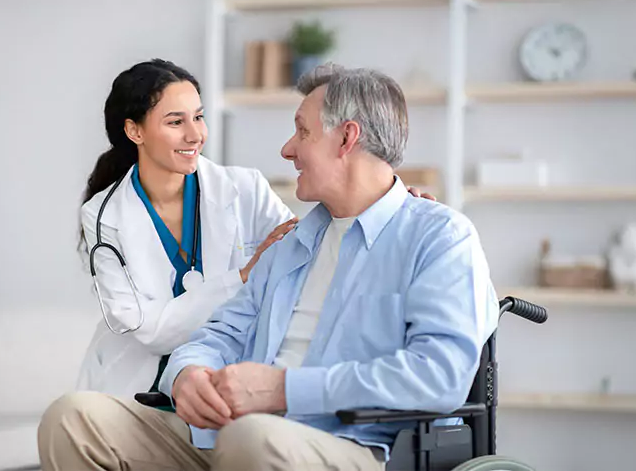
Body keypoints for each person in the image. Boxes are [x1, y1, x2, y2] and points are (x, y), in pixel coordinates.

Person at [43, 63, 499, 470]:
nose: (286, 149)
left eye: (302, 132)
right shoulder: (292, 243)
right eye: (175, 121)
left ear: (347, 138)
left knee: (252, 438)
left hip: (349, 440)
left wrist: (284, 390)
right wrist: (188, 375)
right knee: (73, 418)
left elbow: (438, 376)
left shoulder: (437, 236)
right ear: (135, 131)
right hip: (228, 430)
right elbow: (216, 333)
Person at [76, 59, 438, 399]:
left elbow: (306, 247)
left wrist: (390, 204)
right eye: (175, 122)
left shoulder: (243, 189)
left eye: (198, 118)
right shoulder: (104, 216)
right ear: (134, 131)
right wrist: (245, 276)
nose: (195, 135)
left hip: (219, 384)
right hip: (134, 383)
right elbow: (151, 331)